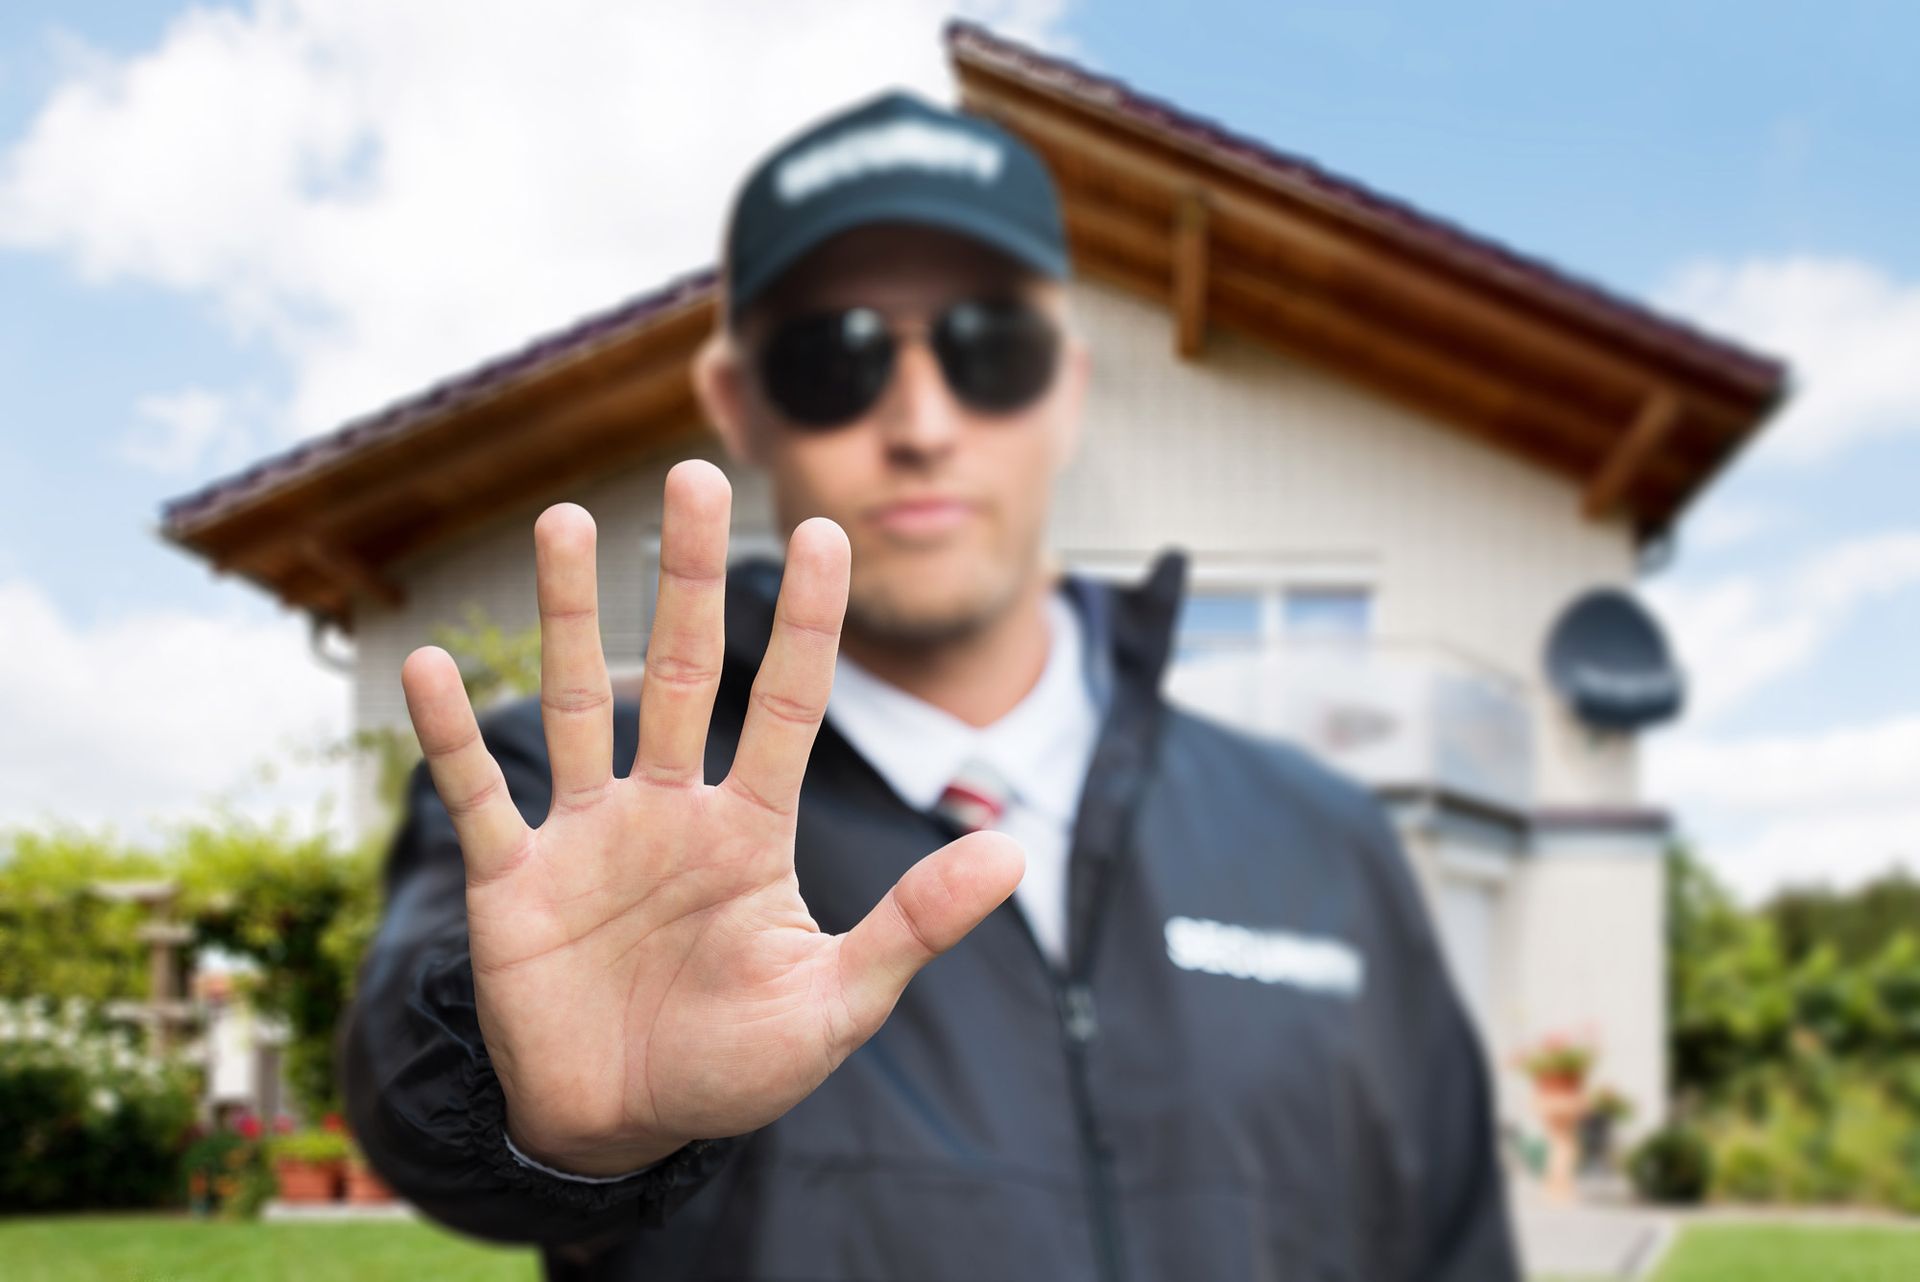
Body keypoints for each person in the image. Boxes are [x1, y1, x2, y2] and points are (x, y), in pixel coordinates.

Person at [339, 87, 1522, 1282]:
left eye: (988, 349)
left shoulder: (1327, 838)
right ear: (741, 404)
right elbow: (412, 1083)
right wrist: (553, 1120)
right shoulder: (566, 798)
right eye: (832, 356)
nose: (919, 421)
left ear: (1067, 387)